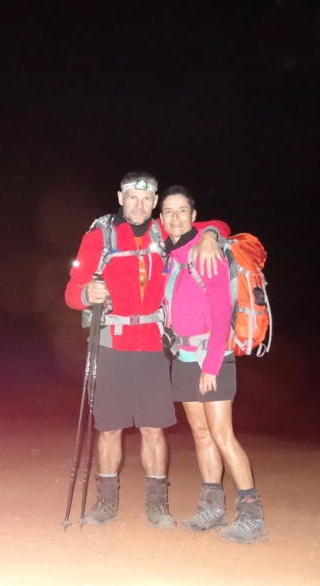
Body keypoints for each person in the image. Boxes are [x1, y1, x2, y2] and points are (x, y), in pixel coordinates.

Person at [64, 172, 228, 529]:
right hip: (111, 343)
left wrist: (211, 235)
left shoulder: (162, 230)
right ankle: (106, 503)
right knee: (109, 428)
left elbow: (216, 223)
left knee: (154, 428)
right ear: (121, 197)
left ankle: (158, 506)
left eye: (146, 198)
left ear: (155, 202)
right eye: (132, 197)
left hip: (153, 345)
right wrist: (84, 296)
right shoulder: (98, 237)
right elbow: (70, 292)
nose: (139, 204)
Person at [159, 185, 268, 544]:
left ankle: (252, 516)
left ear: (193, 216)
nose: (175, 218)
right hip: (184, 356)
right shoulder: (171, 256)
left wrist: (210, 365)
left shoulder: (205, 253)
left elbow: (222, 311)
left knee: (222, 434)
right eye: (168, 212)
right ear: (162, 219)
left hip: (213, 357)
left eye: (181, 211)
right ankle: (212, 508)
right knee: (201, 434)